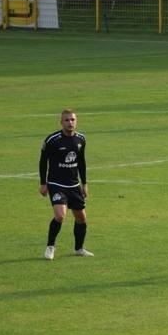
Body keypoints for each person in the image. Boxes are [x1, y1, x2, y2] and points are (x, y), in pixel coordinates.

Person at [39, 109, 93, 260]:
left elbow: (81, 162)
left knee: (81, 218)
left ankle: (79, 249)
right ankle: (50, 247)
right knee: (60, 215)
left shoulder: (81, 139)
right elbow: (43, 162)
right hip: (56, 184)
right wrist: (43, 183)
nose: (70, 123)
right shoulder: (52, 140)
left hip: (74, 185)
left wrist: (85, 183)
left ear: (76, 121)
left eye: (72, 120)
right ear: (61, 122)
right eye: (67, 120)